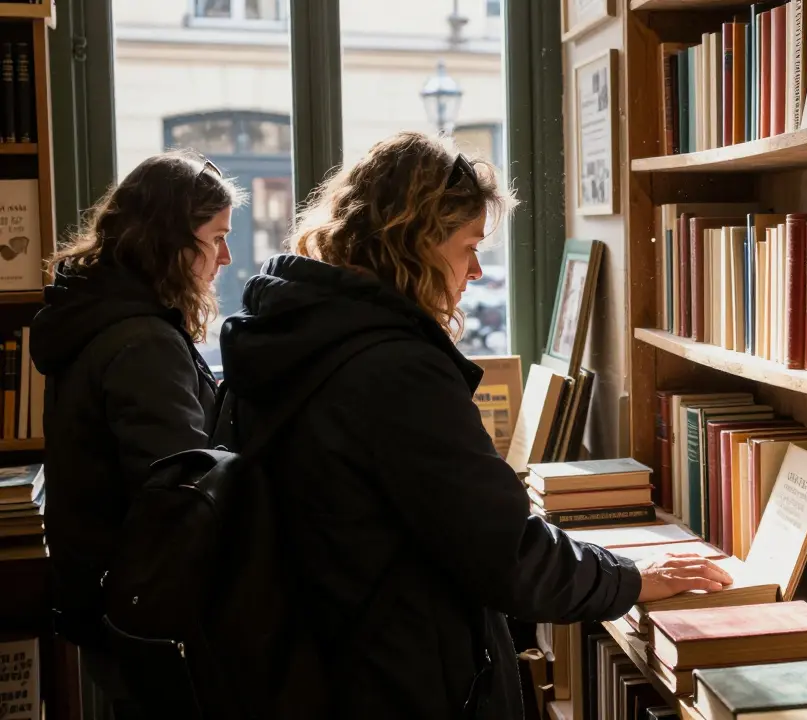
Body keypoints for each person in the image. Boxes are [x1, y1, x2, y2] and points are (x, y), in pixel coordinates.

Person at [215, 131, 731, 719]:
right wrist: (631, 579)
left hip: (307, 669)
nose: (478, 270)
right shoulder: (395, 369)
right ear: (413, 244)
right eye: (468, 246)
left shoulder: (284, 332)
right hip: (397, 681)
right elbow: (507, 556)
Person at [28, 150, 240, 717]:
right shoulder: (142, 340)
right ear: (170, 239)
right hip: (152, 612)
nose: (225, 256)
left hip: (109, 601)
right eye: (215, 237)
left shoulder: (98, 316)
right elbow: (178, 491)